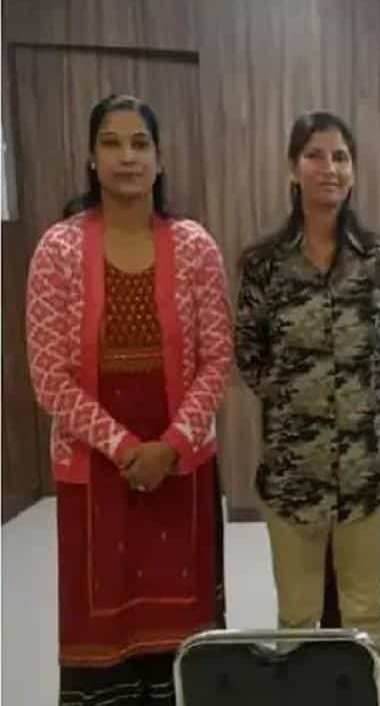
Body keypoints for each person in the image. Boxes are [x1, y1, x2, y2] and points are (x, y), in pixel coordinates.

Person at [26, 94, 232, 705]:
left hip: (182, 471)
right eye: (112, 143)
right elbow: (49, 376)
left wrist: (169, 447)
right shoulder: (58, 250)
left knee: (181, 634)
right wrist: (124, 449)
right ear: (91, 159)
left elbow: (217, 361)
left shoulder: (195, 247)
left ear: (159, 159)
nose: (127, 157)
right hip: (95, 475)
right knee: (103, 632)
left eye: (140, 143)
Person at [234, 111, 380, 689]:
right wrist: (300, 404)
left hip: (367, 468)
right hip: (294, 473)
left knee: (365, 613)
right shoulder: (263, 265)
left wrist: (352, 405)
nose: (328, 168)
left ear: (353, 171)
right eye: (314, 155)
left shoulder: (377, 259)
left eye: (340, 157)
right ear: (293, 167)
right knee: (297, 618)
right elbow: (249, 355)